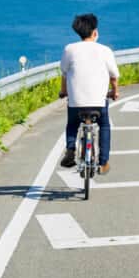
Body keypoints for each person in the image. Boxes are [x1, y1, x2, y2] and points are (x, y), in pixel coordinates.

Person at [58, 13, 119, 173]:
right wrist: (115, 92)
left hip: (76, 102)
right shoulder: (105, 50)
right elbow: (114, 76)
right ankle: (103, 162)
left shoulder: (70, 49)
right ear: (95, 31)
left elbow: (64, 73)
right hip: (98, 102)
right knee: (104, 125)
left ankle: (70, 149)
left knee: (72, 124)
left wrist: (63, 92)